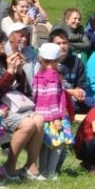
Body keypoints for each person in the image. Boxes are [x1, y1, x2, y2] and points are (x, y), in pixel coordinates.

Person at [0, 27, 45, 180]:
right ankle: (10, 166)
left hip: (14, 104)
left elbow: (19, 88)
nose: (3, 43)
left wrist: (19, 71)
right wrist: (9, 71)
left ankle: (31, 166)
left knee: (39, 120)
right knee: (28, 124)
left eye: (3, 39)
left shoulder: (2, 59)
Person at [33, 42, 74, 179]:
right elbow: (51, 98)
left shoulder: (39, 74)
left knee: (44, 146)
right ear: (57, 60)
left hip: (40, 115)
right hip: (53, 117)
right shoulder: (53, 76)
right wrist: (57, 117)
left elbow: (36, 96)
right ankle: (51, 172)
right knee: (58, 144)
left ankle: (43, 170)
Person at [49, 28, 94, 114]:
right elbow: (50, 90)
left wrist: (79, 92)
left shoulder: (77, 62)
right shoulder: (48, 63)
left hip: (74, 99)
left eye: (64, 43)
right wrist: (72, 92)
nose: (62, 46)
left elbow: (81, 84)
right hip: (55, 100)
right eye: (58, 43)